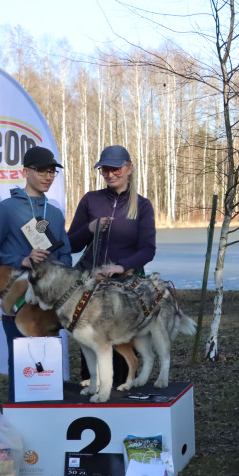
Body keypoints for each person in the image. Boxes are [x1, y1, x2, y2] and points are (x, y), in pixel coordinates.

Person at [0, 146, 72, 402]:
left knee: (47, 367)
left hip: (50, 303)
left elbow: (66, 255)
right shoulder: (6, 209)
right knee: (23, 367)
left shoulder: (53, 212)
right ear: (26, 171)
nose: (48, 176)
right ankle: (17, 428)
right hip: (18, 303)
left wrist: (60, 274)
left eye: (52, 171)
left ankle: (48, 424)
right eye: (42, 170)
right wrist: (22, 260)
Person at [67, 145, 157, 386]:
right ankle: (91, 388)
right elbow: (71, 244)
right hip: (91, 288)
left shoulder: (143, 205)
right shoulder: (90, 200)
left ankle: (121, 393)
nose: (109, 174)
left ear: (129, 168)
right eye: (104, 169)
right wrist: (90, 229)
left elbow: (148, 249)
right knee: (90, 341)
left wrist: (121, 266)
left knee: (121, 344)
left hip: (123, 288)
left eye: (115, 168)